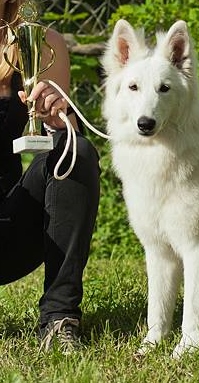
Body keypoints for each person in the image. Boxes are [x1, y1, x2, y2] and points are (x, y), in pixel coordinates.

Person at [0, 0, 100, 353]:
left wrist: (58, 119)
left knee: (76, 153)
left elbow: (66, 138)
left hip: (9, 228)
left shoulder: (41, 43)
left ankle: (60, 319)